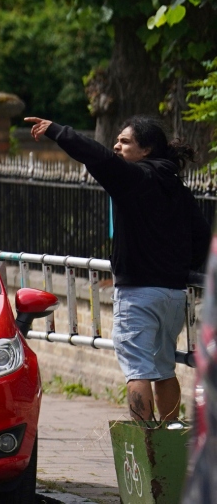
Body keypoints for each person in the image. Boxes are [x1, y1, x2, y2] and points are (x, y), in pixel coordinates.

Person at [27, 115, 210, 421]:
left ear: (146, 150)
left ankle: (144, 442)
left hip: (138, 294)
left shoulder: (134, 179)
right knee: (164, 369)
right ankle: (170, 439)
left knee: (137, 371)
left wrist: (57, 131)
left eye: (125, 141)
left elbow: (98, 157)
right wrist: (180, 266)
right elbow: (203, 235)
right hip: (174, 296)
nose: (117, 146)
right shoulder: (176, 186)